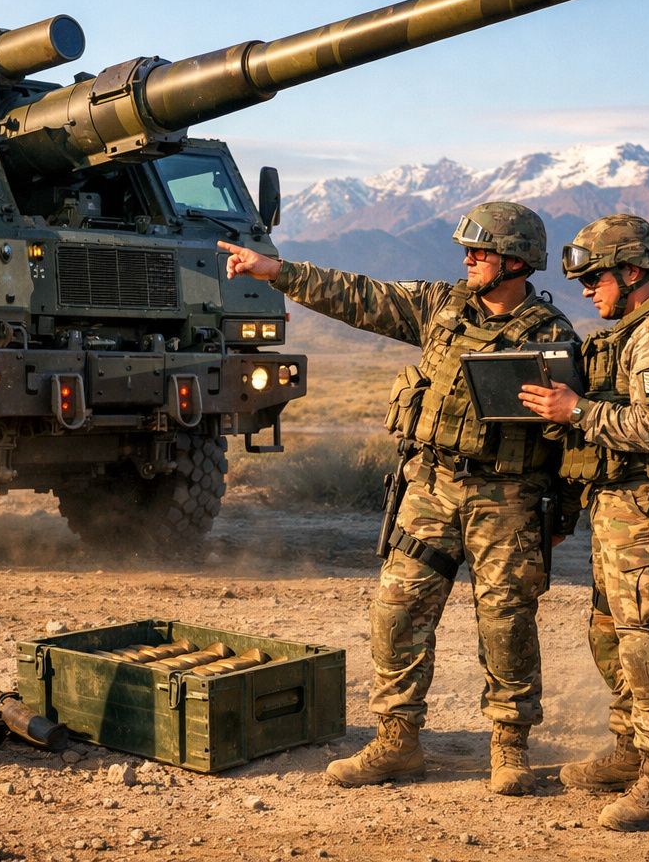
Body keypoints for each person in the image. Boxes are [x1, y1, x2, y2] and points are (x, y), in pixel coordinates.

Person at [219, 202, 579, 794]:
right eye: (467, 249)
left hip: (508, 498)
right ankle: (397, 741)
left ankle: (510, 746)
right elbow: (358, 294)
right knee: (397, 609)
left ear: (516, 260)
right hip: (431, 486)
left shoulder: (552, 336)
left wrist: (561, 515)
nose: (468, 259)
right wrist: (273, 270)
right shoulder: (442, 306)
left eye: (481, 251)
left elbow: (569, 442)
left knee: (507, 620)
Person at [518, 213, 649, 831]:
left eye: (595, 278)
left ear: (631, 271)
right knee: (612, 633)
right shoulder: (635, 332)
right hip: (622, 512)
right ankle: (630, 753)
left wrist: (578, 410)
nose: (587, 290)